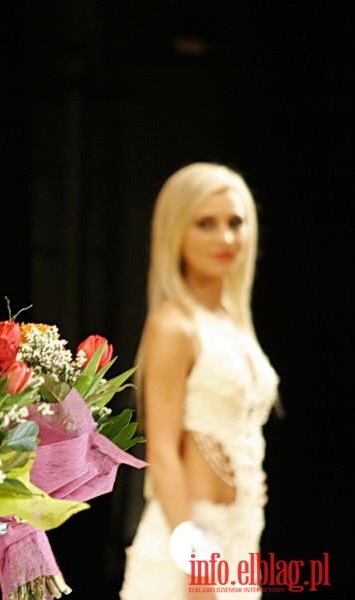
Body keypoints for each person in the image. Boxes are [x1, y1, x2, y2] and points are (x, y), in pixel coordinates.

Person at [120, 162, 279, 600]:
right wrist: (199, 563)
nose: (226, 239)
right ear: (177, 230)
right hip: (191, 540)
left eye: (235, 223)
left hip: (240, 536)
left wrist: (247, 481)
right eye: (206, 224)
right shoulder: (175, 325)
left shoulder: (230, 321)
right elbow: (165, 453)